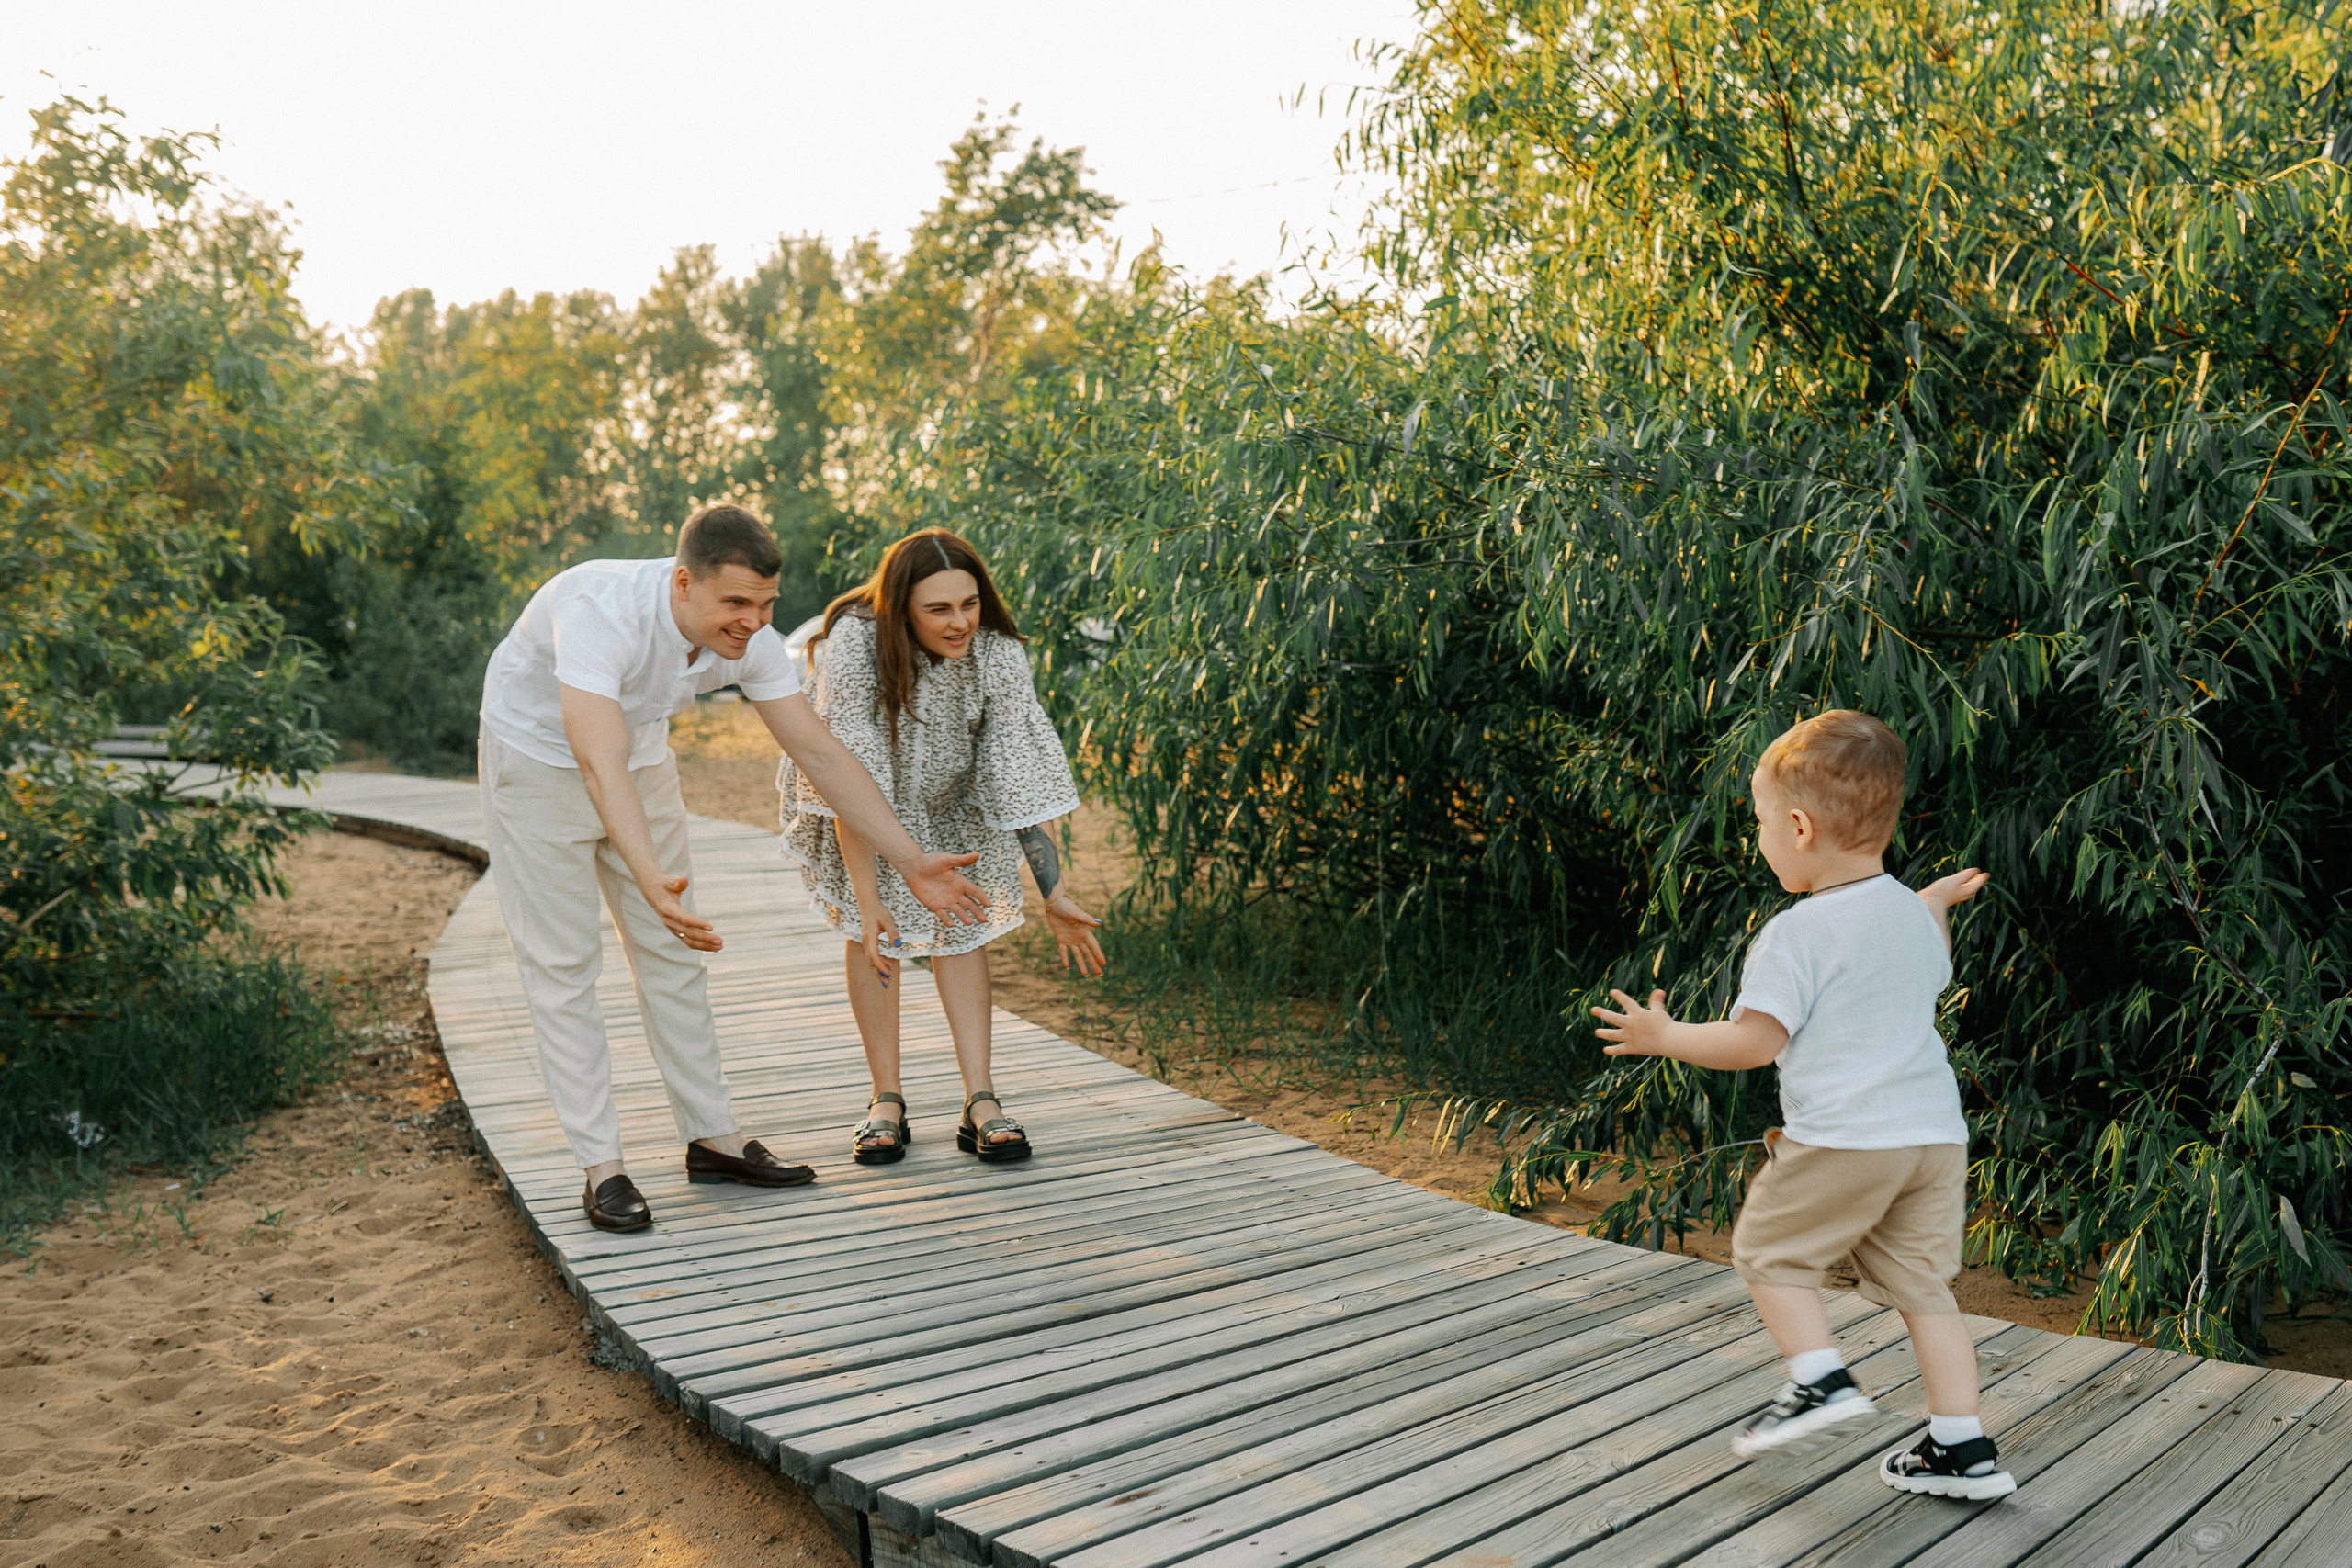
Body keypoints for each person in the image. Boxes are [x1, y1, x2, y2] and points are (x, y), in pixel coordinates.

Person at [477, 504, 991, 1234]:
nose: (754, 621)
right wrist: (647, 871)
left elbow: (819, 754)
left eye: (767, 603)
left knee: (675, 953)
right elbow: (596, 760)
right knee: (564, 966)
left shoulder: (750, 639)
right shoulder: (597, 610)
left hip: (642, 761)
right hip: (535, 764)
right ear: (683, 583)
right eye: (737, 603)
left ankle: (713, 1137)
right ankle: (603, 1166)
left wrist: (909, 861)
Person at [1589, 709, 2013, 1500]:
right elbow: (1918, 957)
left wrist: (1665, 1032)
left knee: (1769, 1256)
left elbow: (1754, 1041)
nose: (1757, 838)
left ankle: (1819, 1381)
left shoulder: (1796, 933)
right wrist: (1935, 903)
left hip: (1849, 1138)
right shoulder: (1907, 917)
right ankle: (1962, 1446)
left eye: (1757, 822)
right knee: (1926, 1290)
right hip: (1932, 1139)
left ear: (1798, 825)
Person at [779, 527, 1107, 1167]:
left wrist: (1055, 892)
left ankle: (980, 1100)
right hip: (867, 801)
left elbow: (1017, 770)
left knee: (964, 929)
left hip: (958, 797)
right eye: (938, 609)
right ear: (901, 605)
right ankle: (886, 1100)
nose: (959, 622)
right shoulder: (853, 646)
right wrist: (870, 899)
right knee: (879, 934)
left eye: (969, 603)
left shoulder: (996, 651)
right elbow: (851, 776)